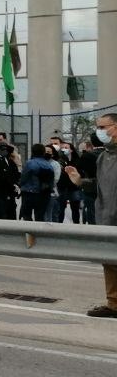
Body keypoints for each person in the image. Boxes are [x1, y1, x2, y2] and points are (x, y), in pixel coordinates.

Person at [63, 113, 116, 317]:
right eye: (98, 128)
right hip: (106, 217)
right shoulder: (103, 156)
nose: (99, 132)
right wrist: (79, 181)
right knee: (110, 261)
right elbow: (100, 186)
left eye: (104, 127)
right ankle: (113, 304)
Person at [17, 144, 55, 222]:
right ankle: (38, 232)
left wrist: (19, 185)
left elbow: (24, 178)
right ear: (44, 152)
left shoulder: (30, 163)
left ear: (33, 152)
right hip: (43, 194)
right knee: (40, 216)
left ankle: (30, 232)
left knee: (27, 215)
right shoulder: (49, 165)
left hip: (29, 193)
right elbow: (51, 180)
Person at [49, 137, 81, 224]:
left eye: (66, 148)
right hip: (62, 187)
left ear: (71, 150)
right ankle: (60, 226)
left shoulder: (76, 160)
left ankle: (77, 226)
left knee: (75, 208)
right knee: (61, 208)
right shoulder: (58, 159)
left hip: (73, 187)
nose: (64, 149)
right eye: (63, 147)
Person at [76, 135, 99, 224]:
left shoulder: (86, 156)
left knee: (90, 209)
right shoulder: (107, 154)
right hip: (106, 187)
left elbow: (79, 169)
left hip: (89, 187)